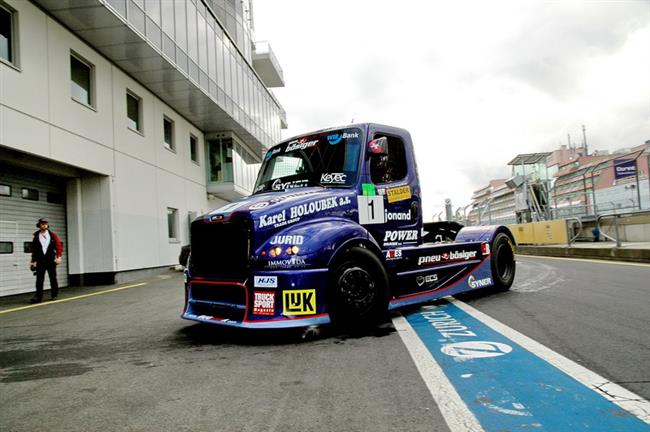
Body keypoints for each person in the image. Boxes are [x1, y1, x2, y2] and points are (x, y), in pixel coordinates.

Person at [30, 218, 63, 303]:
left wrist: (58, 256)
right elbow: (34, 250)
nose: (44, 225)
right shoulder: (36, 236)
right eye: (42, 224)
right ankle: (38, 297)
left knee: (53, 277)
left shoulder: (52, 235)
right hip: (40, 260)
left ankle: (54, 294)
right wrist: (33, 261)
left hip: (51, 259)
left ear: (48, 225)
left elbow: (58, 246)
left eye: (46, 224)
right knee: (39, 279)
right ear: (39, 225)